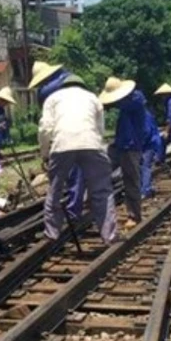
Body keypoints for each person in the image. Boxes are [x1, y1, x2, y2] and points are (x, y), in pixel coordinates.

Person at [31, 62, 117, 244]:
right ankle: (109, 236)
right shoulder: (93, 98)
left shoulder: (52, 99)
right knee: (102, 191)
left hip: (62, 145)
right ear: (82, 85)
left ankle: (51, 233)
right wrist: (95, 145)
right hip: (91, 144)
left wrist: (45, 154)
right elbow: (100, 129)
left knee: (54, 191)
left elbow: (45, 130)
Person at [100, 76, 154, 225]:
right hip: (120, 145)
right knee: (99, 169)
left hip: (131, 147)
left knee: (131, 181)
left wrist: (110, 103)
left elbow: (123, 104)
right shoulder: (127, 104)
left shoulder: (135, 100)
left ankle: (134, 215)